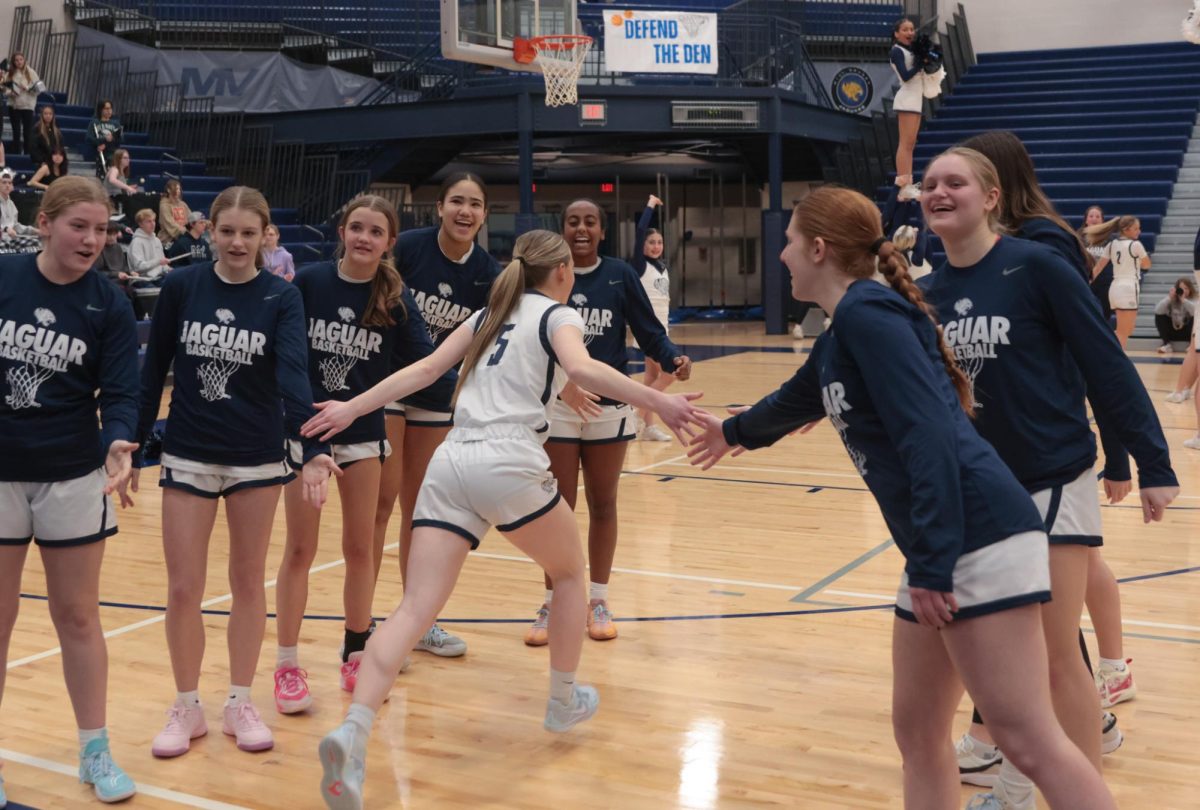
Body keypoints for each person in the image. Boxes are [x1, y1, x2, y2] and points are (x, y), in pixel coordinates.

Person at [687, 185, 1116, 810]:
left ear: (817, 247)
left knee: (1027, 739)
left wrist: (935, 561)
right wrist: (730, 433)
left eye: (785, 243)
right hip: (942, 543)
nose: (780, 257)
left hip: (976, 536)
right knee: (917, 731)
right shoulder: (845, 330)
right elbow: (798, 397)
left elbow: (930, 438)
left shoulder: (869, 316)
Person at [304, 229, 701, 810]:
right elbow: (585, 368)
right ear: (562, 270)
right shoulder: (556, 314)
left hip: (452, 458)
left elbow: (421, 373)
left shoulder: (490, 311)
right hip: (507, 459)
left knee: (415, 608)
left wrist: (351, 407)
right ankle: (562, 700)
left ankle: (354, 733)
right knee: (569, 575)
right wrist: (659, 400)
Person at [918, 147, 1178, 810]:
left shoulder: (1035, 265)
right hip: (979, 490)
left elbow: (1106, 363)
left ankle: (1068, 791)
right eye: (930, 183)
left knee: (1057, 654)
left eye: (956, 182)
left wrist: (1150, 461)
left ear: (993, 196)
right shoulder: (931, 291)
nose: (940, 192)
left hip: (1050, 479)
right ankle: (1015, 780)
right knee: (1008, 654)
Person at [954, 129, 1141, 786]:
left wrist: (1123, 458)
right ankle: (1037, 739)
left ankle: (1033, 761)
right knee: (1039, 616)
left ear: (996, 183)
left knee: (1040, 629)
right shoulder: (989, 255)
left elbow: (1097, 359)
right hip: (1003, 462)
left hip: (1048, 459)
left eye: (966, 177)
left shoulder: (1039, 248)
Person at [131, 186, 339, 758]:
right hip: (190, 450)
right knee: (183, 587)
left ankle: (240, 702)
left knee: (248, 582)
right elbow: (154, 373)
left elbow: (294, 375)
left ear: (266, 236)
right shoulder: (181, 286)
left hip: (255, 453)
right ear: (210, 232)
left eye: (250, 233)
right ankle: (186, 705)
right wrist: (133, 440)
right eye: (227, 231)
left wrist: (312, 443)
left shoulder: (281, 296)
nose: (238, 242)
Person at [274, 195, 446, 714]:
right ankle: (286, 664)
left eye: (376, 232)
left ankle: (356, 647)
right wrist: (308, 435)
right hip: (306, 434)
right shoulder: (308, 282)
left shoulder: (395, 295)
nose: (364, 238)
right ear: (342, 231)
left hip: (364, 434)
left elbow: (428, 363)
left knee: (359, 548)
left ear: (390, 242)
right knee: (300, 550)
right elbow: (289, 360)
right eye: (356, 228)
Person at [0, 176, 140, 805]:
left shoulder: (108, 303)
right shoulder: (4, 276)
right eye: (79, 225)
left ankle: (94, 750)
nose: (91, 239)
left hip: (72, 472)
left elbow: (122, 391)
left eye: (102, 228)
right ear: (46, 223)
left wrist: (118, 440)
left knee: (79, 616)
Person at [528, 198, 692, 646]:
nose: (581, 228)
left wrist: (671, 356)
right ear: (561, 229)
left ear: (602, 230)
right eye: (573, 221)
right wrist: (563, 386)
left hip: (610, 408)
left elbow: (647, 328)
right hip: (560, 407)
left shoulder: (619, 274)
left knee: (603, 504)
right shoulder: (545, 277)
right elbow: (532, 340)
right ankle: (553, 602)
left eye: (590, 222)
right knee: (555, 508)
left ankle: (597, 599)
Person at [375, 172, 500, 660]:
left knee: (419, 509)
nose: (464, 211)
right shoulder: (406, 248)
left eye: (474, 204)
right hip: (389, 385)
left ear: (484, 214)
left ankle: (416, 622)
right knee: (380, 506)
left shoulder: (490, 273)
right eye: (456, 202)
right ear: (440, 207)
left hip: (439, 395)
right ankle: (365, 630)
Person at [631, 194, 675, 441]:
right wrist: (649, 205)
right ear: (644, 246)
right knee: (669, 374)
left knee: (651, 377)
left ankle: (648, 428)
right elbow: (640, 231)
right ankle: (637, 414)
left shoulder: (662, 266)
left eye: (659, 242)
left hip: (662, 329)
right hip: (648, 331)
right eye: (651, 242)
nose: (656, 246)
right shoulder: (640, 265)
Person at [1086, 216, 1150, 349]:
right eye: (1136, 228)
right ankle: (1116, 363)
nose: (1139, 231)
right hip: (1128, 288)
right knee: (1124, 332)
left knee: (1126, 329)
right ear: (1126, 230)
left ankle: (1105, 350)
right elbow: (1147, 265)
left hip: (1114, 288)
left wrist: (1087, 282)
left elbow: (1097, 268)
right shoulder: (1135, 245)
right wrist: (1137, 260)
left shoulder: (1111, 244)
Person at [890, 18, 924, 198]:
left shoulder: (911, 50)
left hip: (916, 100)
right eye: (905, 29)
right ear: (897, 33)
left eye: (912, 29)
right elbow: (905, 76)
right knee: (904, 144)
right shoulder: (897, 51)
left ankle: (909, 184)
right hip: (907, 99)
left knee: (910, 145)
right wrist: (919, 64)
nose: (910, 32)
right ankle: (903, 184)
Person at [1079, 206, 1113, 324]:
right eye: (1091, 216)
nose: (1094, 219)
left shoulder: (1110, 238)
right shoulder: (1079, 237)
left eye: (1097, 216)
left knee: (1105, 314)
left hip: (1105, 281)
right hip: (1085, 279)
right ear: (1086, 220)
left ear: (1102, 220)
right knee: (1086, 312)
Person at [4, 52, 40, 155]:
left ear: (24, 60)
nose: (19, 62)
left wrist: (28, 88)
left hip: (28, 105)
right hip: (14, 106)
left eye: (21, 59)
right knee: (16, 131)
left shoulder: (31, 72)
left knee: (27, 132)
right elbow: (5, 89)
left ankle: (27, 154)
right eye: (16, 60)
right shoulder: (9, 73)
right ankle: (16, 153)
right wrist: (11, 92)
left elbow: (39, 89)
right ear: (13, 62)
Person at [0, 168, 39, 252]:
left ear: (12, 187)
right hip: (1, 241)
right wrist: (6, 229)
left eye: (9, 183)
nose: (7, 185)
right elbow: (5, 227)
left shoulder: (12, 205)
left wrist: (33, 230)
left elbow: (16, 226)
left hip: (11, 240)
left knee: (35, 244)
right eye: (4, 182)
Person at [1155, 277, 1197, 353]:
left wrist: (1184, 300)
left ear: (1190, 289)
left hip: (1188, 333)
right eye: (1181, 288)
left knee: (1196, 317)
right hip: (1173, 331)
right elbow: (1158, 311)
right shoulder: (1172, 299)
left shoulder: (1194, 299)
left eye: (1186, 288)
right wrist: (1169, 298)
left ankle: (1192, 345)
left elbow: (1195, 312)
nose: (1183, 291)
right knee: (1159, 316)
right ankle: (1167, 344)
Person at [128, 208, 171, 281]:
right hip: (143, 280)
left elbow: (162, 264)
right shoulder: (136, 242)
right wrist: (158, 262)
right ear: (141, 224)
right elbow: (138, 267)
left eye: (153, 220)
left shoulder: (157, 240)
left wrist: (169, 269)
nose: (153, 224)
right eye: (148, 221)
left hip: (159, 277)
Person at [86, 100, 122, 175]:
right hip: (100, 155)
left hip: (112, 154)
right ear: (101, 109)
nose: (109, 111)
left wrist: (107, 143)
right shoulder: (94, 123)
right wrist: (103, 140)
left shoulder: (116, 123)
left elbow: (121, 139)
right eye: (106, 108)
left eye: (110, 108)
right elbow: (89, 138)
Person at [29, 104, 63, 170]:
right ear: (42, 115)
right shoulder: (36, 129)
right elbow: (33, 148)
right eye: (45, 114)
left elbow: (60, 147)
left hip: (55, 162)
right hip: (42, 162)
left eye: (50, 114)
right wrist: (41, 161)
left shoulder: (57, 130)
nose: (48, 116)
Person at [158, 179, 192, 245]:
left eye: (179, 189)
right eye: (176, 189)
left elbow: (191, 218)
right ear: (168, 190)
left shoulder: (183, 204)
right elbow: (170, 224)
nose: (178, 191)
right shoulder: (164, 205)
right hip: (168, 240)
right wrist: (186, 232)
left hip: (184, 237)